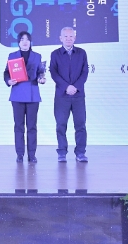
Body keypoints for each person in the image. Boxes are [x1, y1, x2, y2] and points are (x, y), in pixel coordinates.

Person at [4, 31, 46, 163]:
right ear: (18, 42)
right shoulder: (12, 56)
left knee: (32, 126)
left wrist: (41, 78)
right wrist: (8, 81)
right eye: (22, 39)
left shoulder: (37, 56)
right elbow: (6, 73)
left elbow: (40, 72)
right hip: (17, 94)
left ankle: (32, 154)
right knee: (19, 126)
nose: (25, 42)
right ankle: (20, 154)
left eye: (27, 39)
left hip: (33, 95)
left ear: (30, 42)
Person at [49, 26, 90, 163]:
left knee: (80, 125)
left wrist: (75, 87)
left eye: (71, 36)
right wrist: (66, 87)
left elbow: (85, 72)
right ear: (60, 38)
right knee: (61, 125)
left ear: (75, 38)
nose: (68, 39)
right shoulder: (55, 54)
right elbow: (54, 73)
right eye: (65, 36)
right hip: (62, 96)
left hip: (78, 95)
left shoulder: (82, 53)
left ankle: (80, 153)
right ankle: (62, 152)